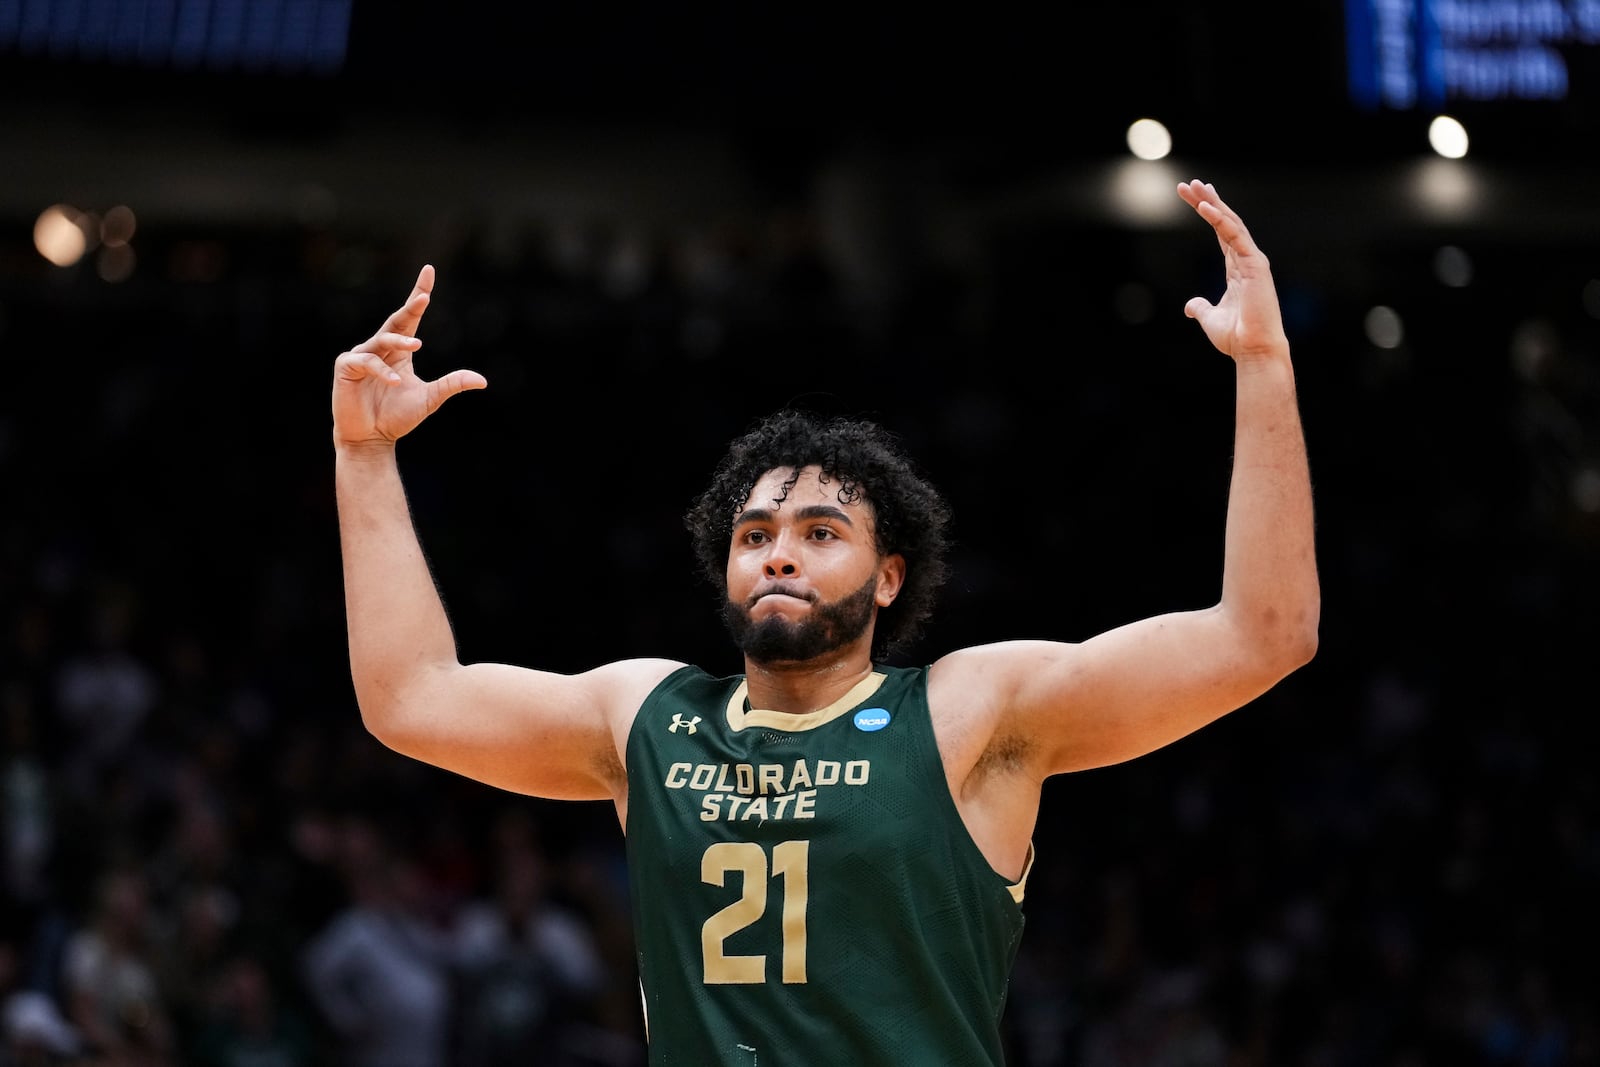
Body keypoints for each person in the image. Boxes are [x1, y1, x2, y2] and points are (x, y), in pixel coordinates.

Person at [329, 180, 1319, 1066]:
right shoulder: (645, 717)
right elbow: (408, 695)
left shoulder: (971, 709)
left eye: (819, 529)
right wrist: (363, 454)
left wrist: (1265, 364)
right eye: (753, 531)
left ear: (889, 577)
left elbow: (1262, 634)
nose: (778, 550)